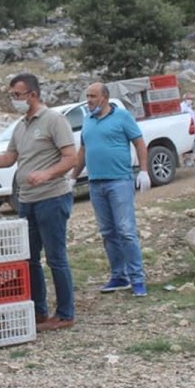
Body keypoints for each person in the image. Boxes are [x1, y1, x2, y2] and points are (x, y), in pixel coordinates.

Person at [0, 74, 77, 331]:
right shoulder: (21, 126)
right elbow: (9, 157)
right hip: (27, 201)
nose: (14, 100)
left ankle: (65, 314)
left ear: (32, 94)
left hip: (51, 197)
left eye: (17, 95)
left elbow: (70, 157)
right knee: (29, 258)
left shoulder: (54, 120)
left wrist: (47, 174)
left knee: (56, 258)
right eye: (12, 96)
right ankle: (38, 310)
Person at [72, 82, 151, 297]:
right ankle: (119, 275)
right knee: (108, 232)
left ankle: (137, 279)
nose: (88, 100)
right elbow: (83, 151)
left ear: (104, 97)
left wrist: (143, 171)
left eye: (93, 96)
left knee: (126, 230)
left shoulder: (122, 117)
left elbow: (139, 143)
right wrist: (72, 177)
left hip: (119, 181)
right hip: (96, 183)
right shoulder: (87, 120)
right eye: (87, 96)